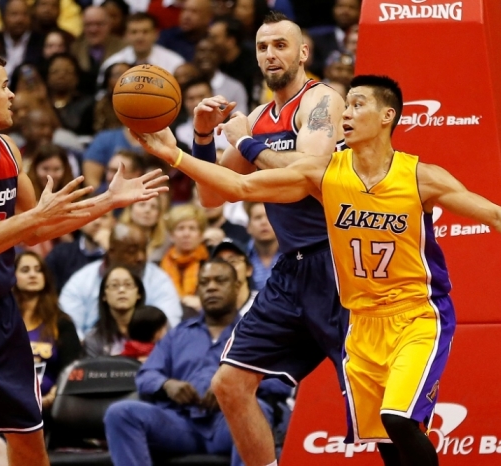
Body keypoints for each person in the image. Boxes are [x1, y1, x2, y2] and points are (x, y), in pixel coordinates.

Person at [133, 73, 501, 465]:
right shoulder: (323, 174)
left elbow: (492, 213)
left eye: (359, 104)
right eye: (347, 104)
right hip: (362, 322)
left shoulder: (421, 177)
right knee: (383, 438)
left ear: (387, 116)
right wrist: (175, 155)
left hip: (417, 316)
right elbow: (239, 185)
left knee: (398, 419)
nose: (347, 111)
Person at [0, 49, 167, 466]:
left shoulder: (8, 152)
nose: (14, 95)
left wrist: (107, 202)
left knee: (29, 442)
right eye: (5, 86)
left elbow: (40, 225)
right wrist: (33, 218)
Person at [137, 12, 349, 466]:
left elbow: (308, 175)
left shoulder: (323, 101)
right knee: (229, 384)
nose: (270, 54)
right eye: (263, 47)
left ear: (303, 53)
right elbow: (211, 195)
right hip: (291, 270)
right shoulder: (257, 116)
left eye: (280, 45)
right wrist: (200, 135)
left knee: (376, 405)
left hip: (339, 267)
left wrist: (249, 143)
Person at [103, 259, 289, 466]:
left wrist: (233, 390)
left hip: (228, 424)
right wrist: (167, 385)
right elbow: (145, 376)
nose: (211, 287)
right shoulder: (177, 335)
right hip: (182, 423)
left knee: (256, 410)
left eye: (220, 281)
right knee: (120, 413)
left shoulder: (256, 333)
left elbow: (281, 382)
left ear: (237, 286)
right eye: (204, 282)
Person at [60, 222, 183, 339]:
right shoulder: (81, 281)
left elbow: (169, 326)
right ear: (112, 251)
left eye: (143, 250)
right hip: (94, 353)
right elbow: (69, 330)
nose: (140, 258)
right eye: (132, 251)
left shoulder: (159, 280)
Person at [13, 251, 81, 412]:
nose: (33, 275)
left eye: (38, 270)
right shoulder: (2, 321)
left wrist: (54, 395)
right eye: (25, 270)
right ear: (12, 277)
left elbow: (72, 367)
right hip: (7, 404)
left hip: (52, 405)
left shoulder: (62, 323)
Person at [83, 265, 146, 357]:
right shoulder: (94, 339)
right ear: (104, 295)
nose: (121, 290)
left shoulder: (156, 328)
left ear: (139, 293)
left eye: (128, 285)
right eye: (114, 286)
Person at [211, 238, 257, 315]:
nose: (227, 267)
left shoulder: (264, 305)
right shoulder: (209, 309)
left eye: (233, 261)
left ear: (248, 269)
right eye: (220, 262)